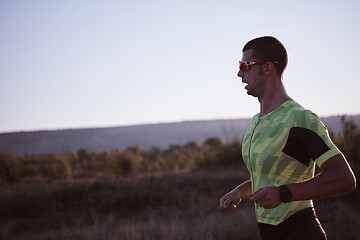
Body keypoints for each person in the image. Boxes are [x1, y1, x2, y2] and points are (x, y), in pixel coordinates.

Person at [219, 36, 356, 240]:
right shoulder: (258, 121)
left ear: (266, 69)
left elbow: (344, 178)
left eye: (245, 65)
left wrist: (284, 194)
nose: (239, 74)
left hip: (301, 232)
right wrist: (241, 190)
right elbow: (273, 176)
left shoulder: (298, 118)